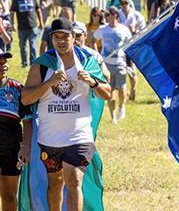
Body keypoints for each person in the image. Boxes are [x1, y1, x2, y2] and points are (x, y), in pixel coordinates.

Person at [20, 18, 111, 211]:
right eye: (56, 37)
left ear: (73, 37)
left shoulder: (87, 62)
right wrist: (48, 83)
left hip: (79, 136)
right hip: (50, 138)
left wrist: (93, 82)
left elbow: (107, 93)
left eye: (65, 37)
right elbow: (26, 99)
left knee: (74, 180)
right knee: (55, 183)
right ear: (52, 39)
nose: (61, 41)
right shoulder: (42, 65)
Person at [0, 46, 32, 211]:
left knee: (9, 195)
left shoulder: (17, 89)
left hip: (11, 147)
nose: (3, 64)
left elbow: (27, 120)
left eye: (4, 61)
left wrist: (25, 146)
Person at [94, 7, 132, 123]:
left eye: (108, 15)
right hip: (106, 64)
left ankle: (121, 107)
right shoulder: (102, 29)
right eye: (105, 15)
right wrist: (96, 54)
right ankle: (113, 116)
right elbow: (92, 40)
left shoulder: (124, 29)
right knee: (109, 91)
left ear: (115, 15)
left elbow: (130, 45)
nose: (106, 17)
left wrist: (130, 63)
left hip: (120, 62)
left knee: (122, 88)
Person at [10, 0, 44, 68]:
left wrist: (41, 22)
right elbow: (12, 12)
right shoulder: (16, 0)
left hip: (33, 27)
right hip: (22, 28)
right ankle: (24, 63)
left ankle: (33, 63)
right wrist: (12, 23)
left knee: (33, 45)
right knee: (22, 46)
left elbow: (38, 10)